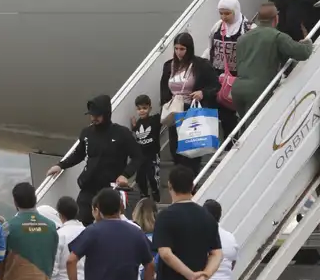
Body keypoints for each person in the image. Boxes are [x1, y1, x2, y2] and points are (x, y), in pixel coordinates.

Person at [47, 95, 143, 226]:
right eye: (91, 115)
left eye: (97, 115)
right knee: (81, 223)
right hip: (88, 189)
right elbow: (78, 154)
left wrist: (125, 175)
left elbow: (138, 156)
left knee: (109, 225)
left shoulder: (122, 133)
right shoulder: (86, 133)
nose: (93, 118)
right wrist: (60, 165)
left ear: (106, 114)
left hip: (110, 191)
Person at [231, 4, 314, 118]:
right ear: (276, 18)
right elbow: (303, 53)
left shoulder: (242, 39)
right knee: (256, 130)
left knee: (244, 129)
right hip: (258, 91)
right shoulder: (277, 36)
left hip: (237, 89)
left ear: (258, 19)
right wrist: (307, 42)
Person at [158, 34, 219, 172]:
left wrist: (202, 93)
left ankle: (192, 183)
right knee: (176, 151)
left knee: (192, 150)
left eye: (182, 49)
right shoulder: (169, 66)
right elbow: (163, 88)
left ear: (189, 49)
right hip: (175, 112)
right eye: (176, 49)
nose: (179, 52)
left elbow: (215, 85)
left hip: (192, 111)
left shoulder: (201, 65)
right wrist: (165, 105)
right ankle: (181, 183)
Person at [209, 0, 254, 139]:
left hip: (240, 78)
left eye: (227, 13)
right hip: (220, 79)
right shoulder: (217, 27)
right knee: (224, 112)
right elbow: (211, 49)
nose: (223, 17)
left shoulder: (248, 28)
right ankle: (229, 144)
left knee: (242, 111)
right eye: (221, 13)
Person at [130, 95, 162, 203]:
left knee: (152, 176)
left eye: (144, 108)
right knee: (140, 178)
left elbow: (164, 115)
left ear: (150, 108)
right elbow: (136, 136)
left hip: (153, 154)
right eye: (139, 109)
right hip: (141, 156)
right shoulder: (138, 124)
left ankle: (155, 192)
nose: (142, 111)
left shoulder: (155, 119)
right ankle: (144, 195)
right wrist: (133, 126)